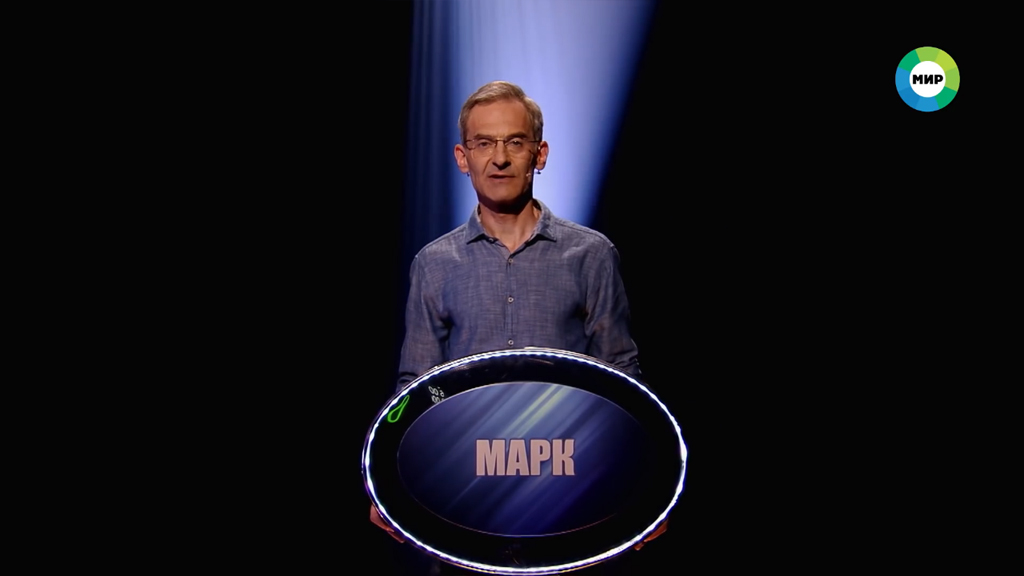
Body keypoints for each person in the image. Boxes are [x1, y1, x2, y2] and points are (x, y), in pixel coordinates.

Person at [370, 80, 663, 574]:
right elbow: (416, 387)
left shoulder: (590, 255)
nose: (500, 158)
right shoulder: (434, 264)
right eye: (484, 143)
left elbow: (622, 377)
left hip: (569, 489)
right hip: (466, 493)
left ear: (539, 155)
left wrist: (649, 489)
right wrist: (390, 481)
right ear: (463, 158)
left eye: (515, 142)